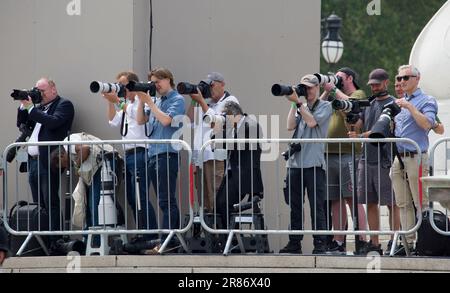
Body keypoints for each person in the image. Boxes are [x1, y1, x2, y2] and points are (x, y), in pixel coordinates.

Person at [16, 78, 75, 246]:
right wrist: (23, 106)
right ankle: (42, 242)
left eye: (42, 91)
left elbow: (53, 122)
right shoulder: (38, 107)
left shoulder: (64, 104)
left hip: (49, 160)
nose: (39, 94)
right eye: (37, 91)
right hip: (33, 161)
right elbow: (21, 124)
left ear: (53, 89)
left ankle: (54, 241)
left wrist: (31, 108)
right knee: (38, 204)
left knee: (50, 202)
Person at [348, 68, 401, 254]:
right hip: (365, 158)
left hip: (385, 159)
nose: (374, 88)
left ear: (386, 82)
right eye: (372, 85)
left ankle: (395, 241)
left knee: (391, 203)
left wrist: (360, 135)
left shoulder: (395, 103)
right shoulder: (367, 103)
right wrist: (350, 115)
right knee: (369, 202)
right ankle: (375, 242)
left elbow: (381, 130)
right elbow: (356, 125)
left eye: (377, 84)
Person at [279, 74, 332, 254]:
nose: (307, 91)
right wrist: (294, 101)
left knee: (316, 206)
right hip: (295, 164)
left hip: (314, 164)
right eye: (304, 87)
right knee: (295, 206)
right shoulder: (300, 106)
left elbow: (311, 122)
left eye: (309, 87)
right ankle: (294, 243)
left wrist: (300, 104)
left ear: (317, 88)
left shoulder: (325, 106)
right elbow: (290, 125)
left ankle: (320, 244)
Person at [102, 71, 157, 242]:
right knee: (133, 197)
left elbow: (138, 117)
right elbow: (113, 121)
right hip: (128, 154)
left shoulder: (143, 100)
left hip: (141, 153)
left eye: (123, 85)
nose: (121, 88)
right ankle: (142, 232)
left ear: (132, 85)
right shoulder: (126, 103)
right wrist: (111, 102)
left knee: (141, 196)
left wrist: (117, 101)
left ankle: (150, 234)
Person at [136, 68, 185, 251]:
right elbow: (140, 121)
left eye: (158, 81)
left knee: (166, 200)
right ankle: (167, 240)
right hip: (153, 155)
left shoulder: (177, 99)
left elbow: (166, 121)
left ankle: (169, 241)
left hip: (167, 154)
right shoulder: (155, 100)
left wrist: (151, 103)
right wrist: (143, 101)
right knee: (161, 200)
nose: (156, 85)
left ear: (168, 80)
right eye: (153, 82)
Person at [320, 68, 368, 253]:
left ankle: (362, 240)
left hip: (348, 153)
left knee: (352, 198)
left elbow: (352, 107)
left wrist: (335, 90)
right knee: (335, 200)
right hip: (329, 153)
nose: (337, 81)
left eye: (340, 78)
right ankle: (338, 241)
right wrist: (326, 90)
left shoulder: (358, 93)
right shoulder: (333, 97)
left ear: (349, 78)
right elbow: (317, 106)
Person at [391, 65, 438, 251]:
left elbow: (427, 124)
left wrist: (410, 107)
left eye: (406, 77)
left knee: (421, 203)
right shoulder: (399, 102)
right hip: (399, 158)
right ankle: (408, 244)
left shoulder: (427, 100)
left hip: (416, 157)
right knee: (402, 203)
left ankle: (426, 243)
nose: (401, 81)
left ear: (417, 79)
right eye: (399, 78)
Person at [186, 72, 239, 214]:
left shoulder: (231, 101)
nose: (209, 89)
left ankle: (221, 233)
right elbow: (188, 121)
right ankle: (210, 233)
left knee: (217, 198)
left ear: (222, 84)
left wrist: (202, 103)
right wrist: (194, 100)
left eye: (211, 85)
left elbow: (219, 125)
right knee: (204, 201)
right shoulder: (206, 103)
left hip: (217, 158)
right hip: (201, 158)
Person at [212, 101, 263, 228]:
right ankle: (229, 238)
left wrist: (225, 134)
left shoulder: (251, 125)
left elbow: (239, 145)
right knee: (219, 204)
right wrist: (220, 127)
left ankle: (232, 239)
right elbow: (214, 142)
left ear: (232, 114)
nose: (224, 119)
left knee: (224, 203)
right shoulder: (232, 128)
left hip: (244, 174)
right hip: (232, 173)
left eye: (225, 115)